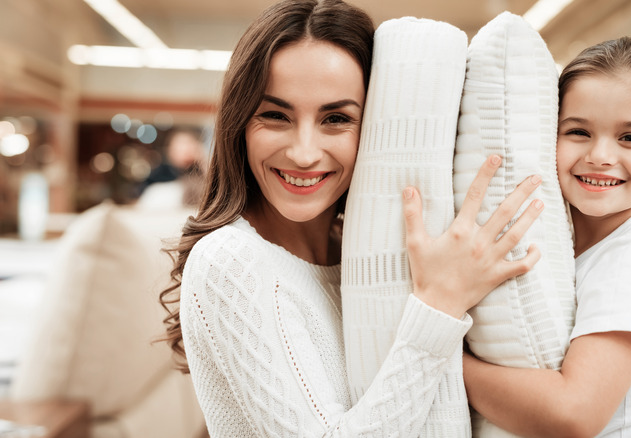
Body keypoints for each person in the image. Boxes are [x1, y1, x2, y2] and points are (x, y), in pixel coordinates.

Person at [158, 0, 544, 436]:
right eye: (275, 115)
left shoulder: (363, 254)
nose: (304, 152)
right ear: (239, 124)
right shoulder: (229, 260)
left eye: (336, 118)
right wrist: (440, 305)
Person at [462, 36, 631, 437]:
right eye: (577, 132)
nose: (600, 155)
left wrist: (439, 354)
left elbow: (573, 415)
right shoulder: (561, 237)